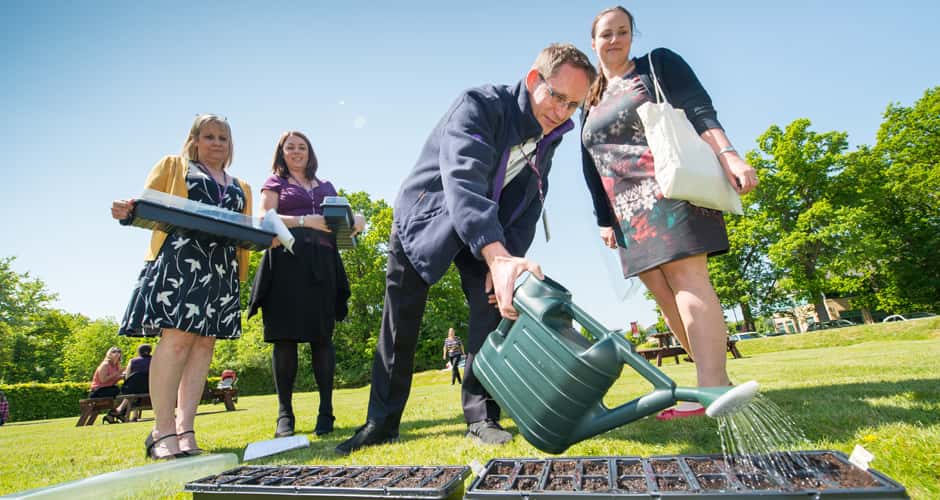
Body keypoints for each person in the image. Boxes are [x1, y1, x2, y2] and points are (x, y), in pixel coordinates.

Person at [335, 43, 596, 455]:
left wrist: (505, 261)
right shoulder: (478, 106)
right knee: (400, 323)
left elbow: (530, 200)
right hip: (428, 218)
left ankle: (481, 417)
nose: (562, 112)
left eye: (573, 105)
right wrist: (495, 253)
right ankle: (381, 422)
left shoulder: (552, 134)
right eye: (557, 97)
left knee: (492, 313)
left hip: (486, 227)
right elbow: (464, 180)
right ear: (533, 80)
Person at [580, 7, 758, 420]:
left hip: (670, 188)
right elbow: (592, 163)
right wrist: (604, 218)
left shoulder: (656, 65)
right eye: (606, 34)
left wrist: (729, 155)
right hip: (626, 208)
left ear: (632, 36)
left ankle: (709, 389)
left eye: (623, 32)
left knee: (687, 279)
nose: (615, 40)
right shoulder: (590, 97)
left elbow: (699, 109)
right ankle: (714, 382)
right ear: (593, 42)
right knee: (662, 292)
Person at [111, 114, 255, 459]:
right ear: (194, 140)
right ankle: (160, 431)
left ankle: (185, 429)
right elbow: (145, 204)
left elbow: (246, 230)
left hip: (221, 268)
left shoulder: (242, 186)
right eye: (209, 136)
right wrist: (127, 209)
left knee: (204, 346)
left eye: (223, 138)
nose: (216, 143)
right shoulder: (175, 166)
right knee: (176, 342)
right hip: (180, 262)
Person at [248, 131, 360, 438]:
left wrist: (357, 221)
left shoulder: (326, 186)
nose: (297, 152)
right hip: (285, 261)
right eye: (290, 147)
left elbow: (343, 223)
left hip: (322, 265)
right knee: (284, 339)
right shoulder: (275, 183)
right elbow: (264, 218)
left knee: (322, 337)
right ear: (281, 152)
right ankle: (285, 414)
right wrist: (304, 221)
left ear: (310, 153)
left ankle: (326, 412)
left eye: (302, 147)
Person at [107, 343, 153, 422]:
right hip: (150, 387)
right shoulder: (155, 359)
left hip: (134, 388)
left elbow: (127, 376)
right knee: (132, 394)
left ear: (139, 352)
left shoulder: (133, 361)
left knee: (131, 393)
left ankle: (122, 412)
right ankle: (128, 414)